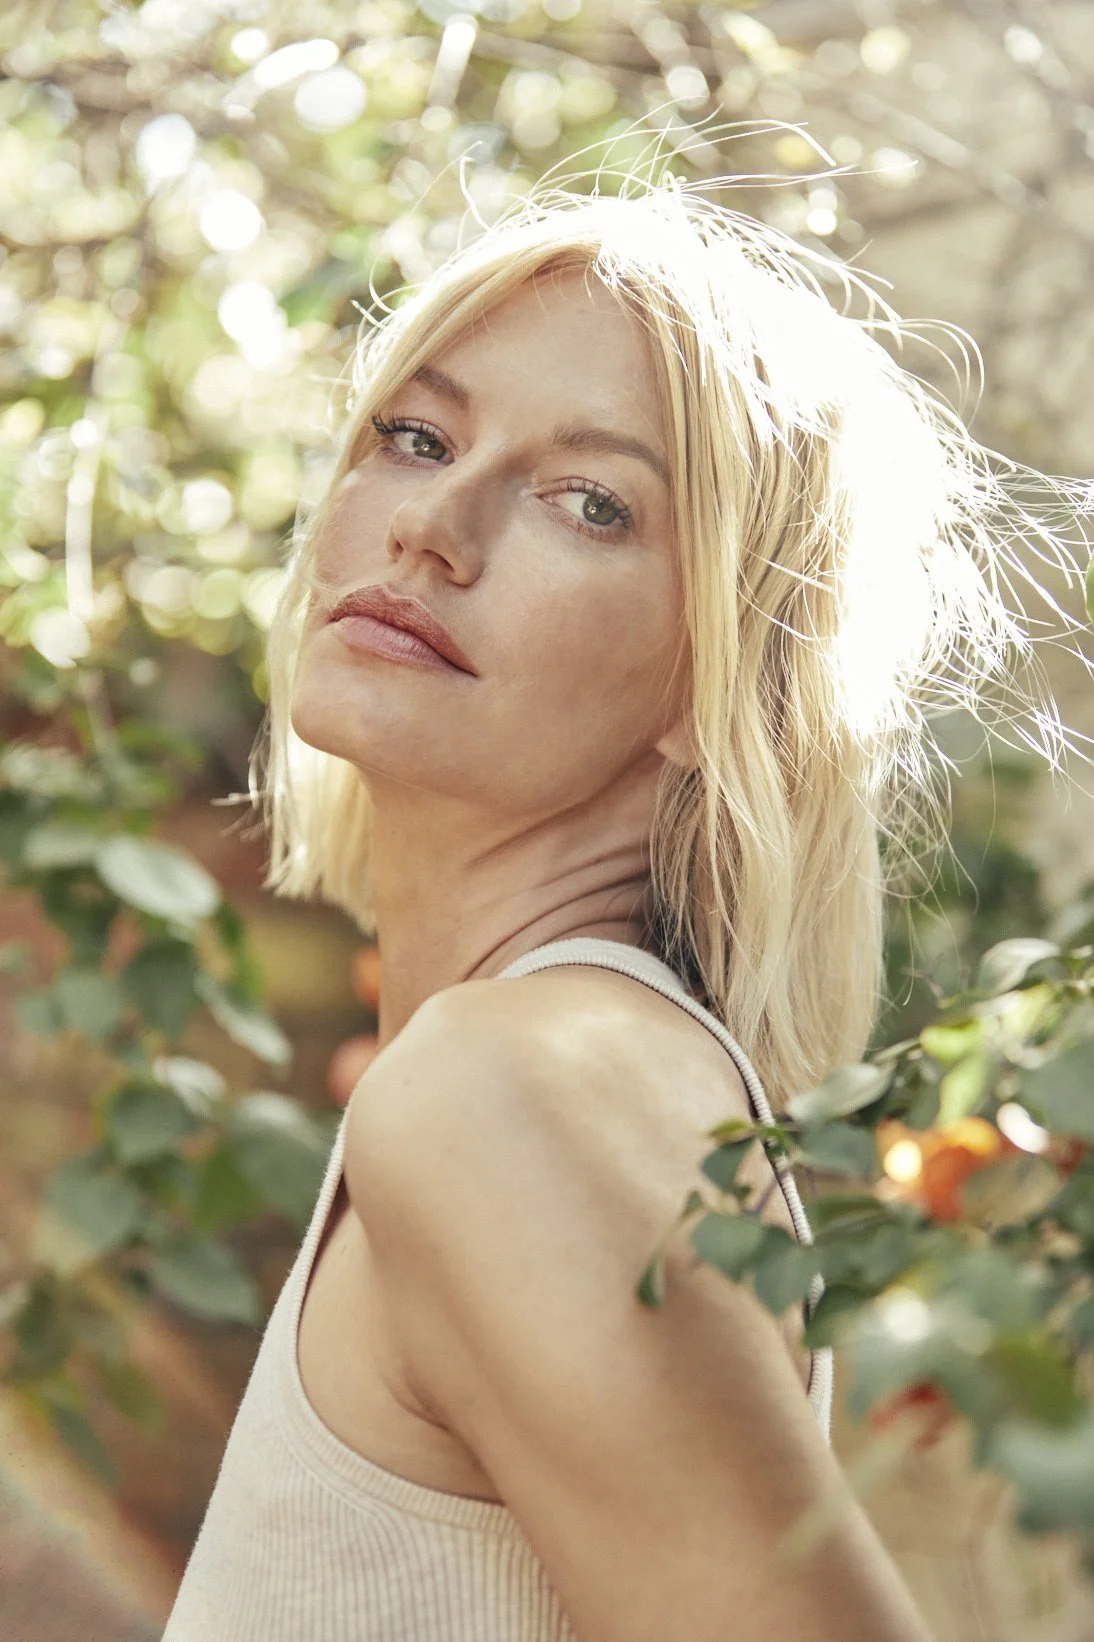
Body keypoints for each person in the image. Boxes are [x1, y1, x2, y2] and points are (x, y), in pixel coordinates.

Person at [162, 156, 1089, 1641]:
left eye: (589, 504)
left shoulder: (509, 1087)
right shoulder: (548, 1068)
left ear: (717, 679)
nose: (432, 525)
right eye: (413, 434)